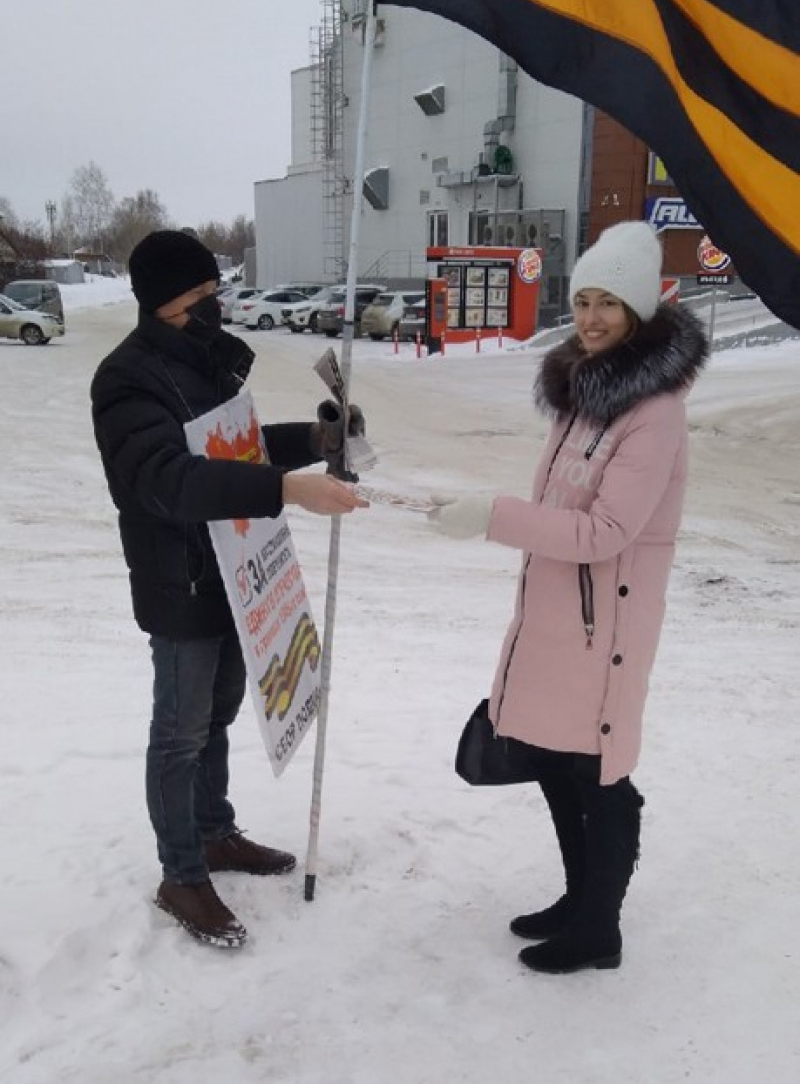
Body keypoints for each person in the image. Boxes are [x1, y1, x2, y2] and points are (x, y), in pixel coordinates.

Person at [429, 221, 708, 974]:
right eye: (583, 300)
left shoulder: (654, 411)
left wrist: (492, 516)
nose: (590, 318)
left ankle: (599, 931)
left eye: (608, 303)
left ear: (641, 309)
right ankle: (580, 898)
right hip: (556, 618)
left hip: (606, 624)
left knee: (600, 772)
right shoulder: (585, 393)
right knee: (554, 759)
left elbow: (606, 530)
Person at [91, 229, 368, 949]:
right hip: (179, 577)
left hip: (236, 570)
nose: (214, 307)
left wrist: (314, 439)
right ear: (160, 301)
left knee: (215, 719)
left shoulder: (204, 361)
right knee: (179, 736)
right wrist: (286, 489)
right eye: (198, 297)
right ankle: (181, 872)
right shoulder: (126, 379)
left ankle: (214, 833)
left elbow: (231, 447)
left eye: (216, 292)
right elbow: (167, 479)